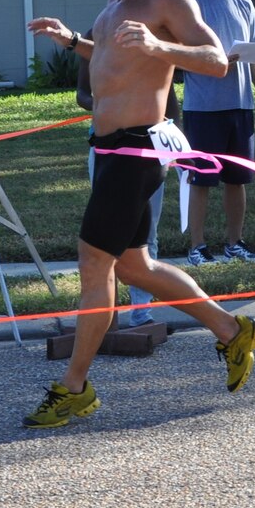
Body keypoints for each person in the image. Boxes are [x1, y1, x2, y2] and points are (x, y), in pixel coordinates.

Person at [24, 0, 255, 428]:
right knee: (134, 266)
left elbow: (218, 60)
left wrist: (160, 45)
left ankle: (74, 387)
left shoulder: (167, 3)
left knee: (94, 264)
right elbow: (112, 61)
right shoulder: (112, 7)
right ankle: (231, 330)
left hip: (136, 151)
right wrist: (72, 42)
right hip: (109, 152)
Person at [77, 52, 184, 328]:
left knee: (147, 235)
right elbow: (82, 94)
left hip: (149, 148)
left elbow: (170, 99)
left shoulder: (151, 37)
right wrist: (107, 106)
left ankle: (141, 312)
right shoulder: (95, 34)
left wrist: (175, 146)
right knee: (104, 238)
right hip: (106, 149)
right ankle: (105, 318)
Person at [183, 0, 255, 265]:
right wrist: (216, 60)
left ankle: (235, 243)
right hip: (203, 107)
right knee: (202, 179)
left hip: (239, 105)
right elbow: (176, 55)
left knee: (237, 179)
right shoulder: (188, 5)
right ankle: (197, 247)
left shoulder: (244, 4)